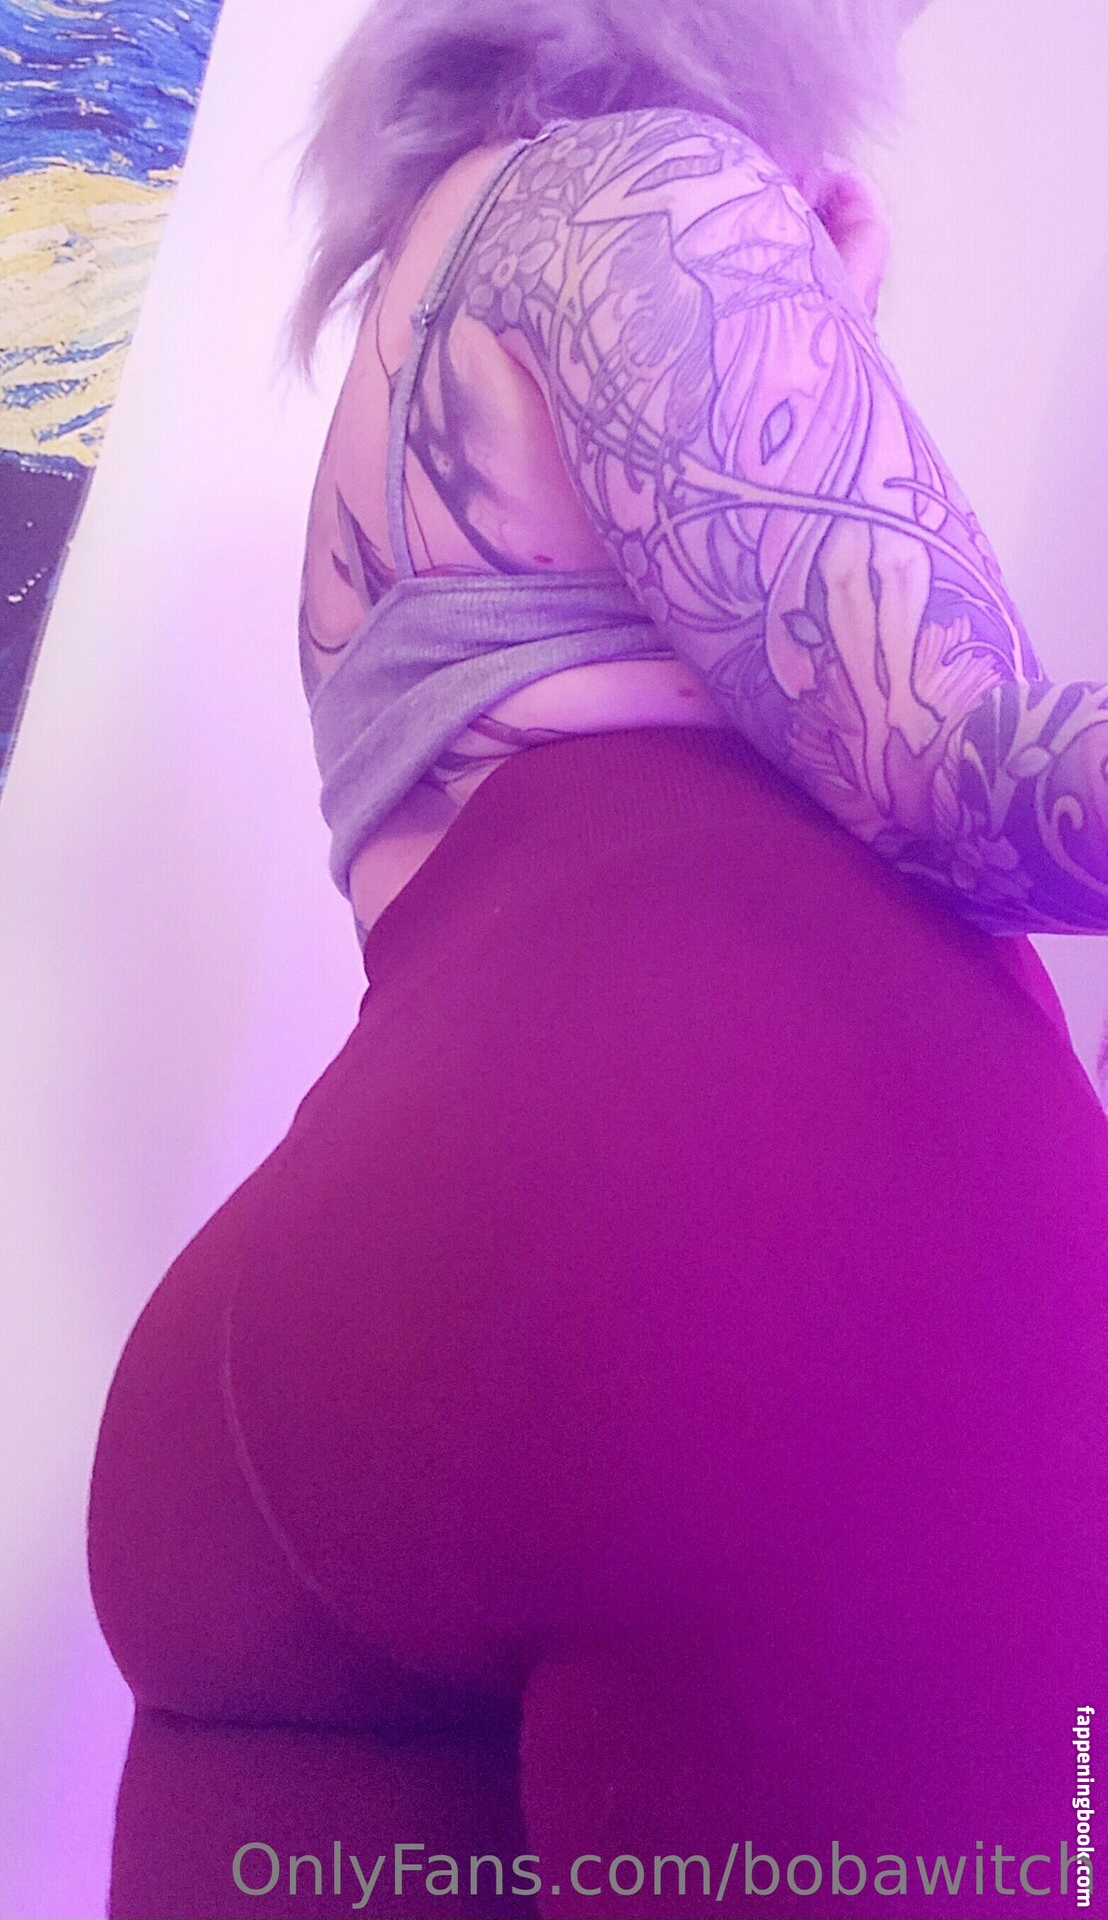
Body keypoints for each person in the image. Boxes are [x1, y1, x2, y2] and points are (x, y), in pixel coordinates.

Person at [86, 2, 1108, 1915]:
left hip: (304, 1355)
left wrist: (814, 314)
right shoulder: (649, 195)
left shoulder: (428, 308)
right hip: (777, 1232)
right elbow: (963, 765)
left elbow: (625, 679)